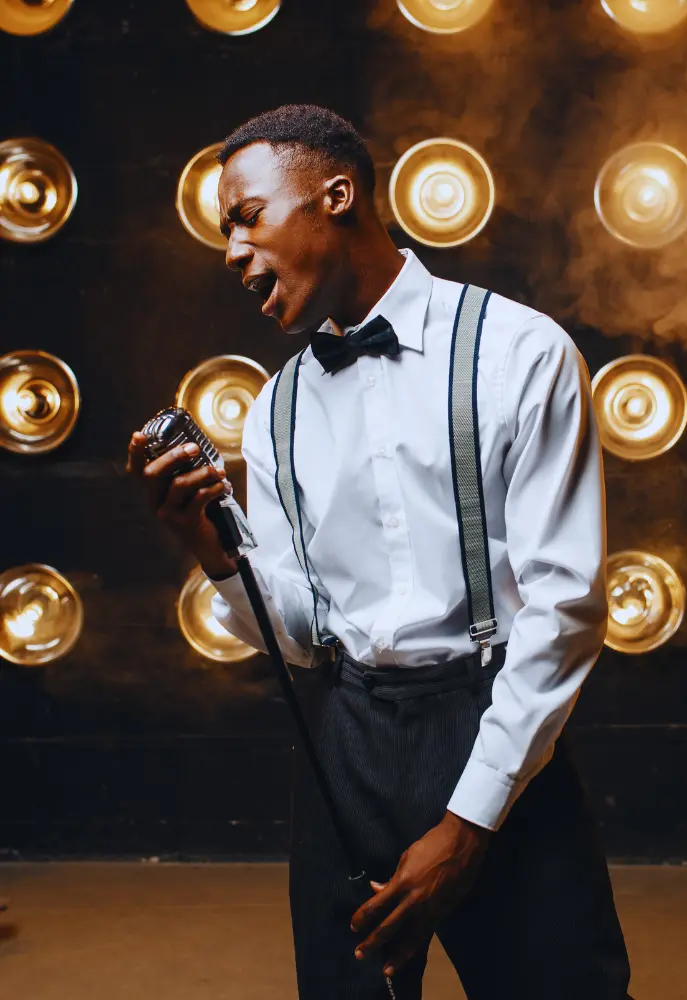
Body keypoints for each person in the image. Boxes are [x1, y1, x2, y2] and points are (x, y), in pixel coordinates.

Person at [127, 104, 632, 1000]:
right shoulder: (277, 407)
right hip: (343, 736)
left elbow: (564, 612)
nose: (233, 253)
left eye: (246, 217)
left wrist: (471, 821)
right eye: (223, 234)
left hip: (494, 730)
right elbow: (293, 636)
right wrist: (210, 551)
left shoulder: (518, 353)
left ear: (337, 193)